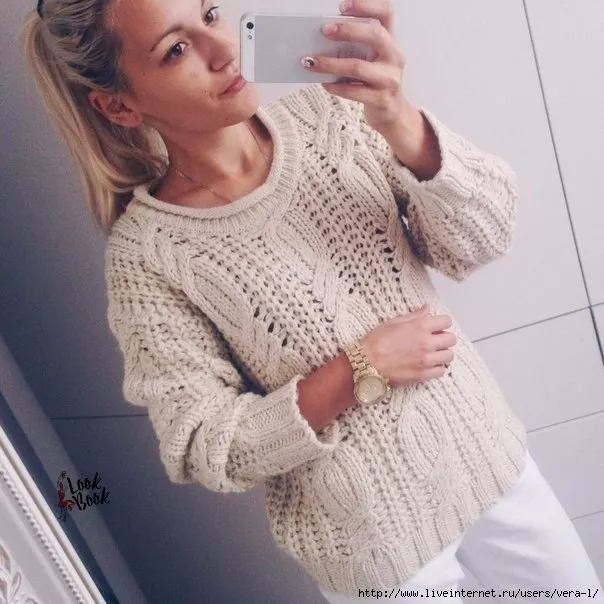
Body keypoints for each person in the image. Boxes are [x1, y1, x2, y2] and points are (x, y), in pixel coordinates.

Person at [22, 0, 603, 602]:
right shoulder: (148, 255)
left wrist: (398, 117)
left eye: (211, 14)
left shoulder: (332, 116)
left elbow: (483, 238)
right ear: (119, 106)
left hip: (489, 461)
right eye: (176, 49)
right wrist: (360, 370)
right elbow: (203, 443)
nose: (223, 50)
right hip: (378, 552)